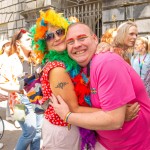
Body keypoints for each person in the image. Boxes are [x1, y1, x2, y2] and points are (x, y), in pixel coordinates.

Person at [31, 10, 139, 150]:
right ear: (44, 44)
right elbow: (73, 108)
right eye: (49, 36)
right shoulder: (57, 69)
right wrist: (116, 115)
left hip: (74, 125)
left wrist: (102, 46)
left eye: (60, 32)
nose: (56, 38)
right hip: (63, 130)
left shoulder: (72, 60)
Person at [49, 21, 150, 150]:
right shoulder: (78, 67)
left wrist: (67, 116)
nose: (77, 45)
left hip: (135, 144)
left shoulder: (105, 62)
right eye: (70, 42)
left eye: (82, 38)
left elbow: (114, 120)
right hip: (107, 143)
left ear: (94, 39)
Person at [0, 29, 43, 150]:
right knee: (28, 133)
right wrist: (18, 89)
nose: (32, 42)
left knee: (38, 131)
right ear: (18, 43)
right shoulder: (10, 60)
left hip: (38, 99)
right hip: (19, 102)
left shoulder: (36, 58)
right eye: (28, 39)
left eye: (32, 39)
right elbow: (1, 82)